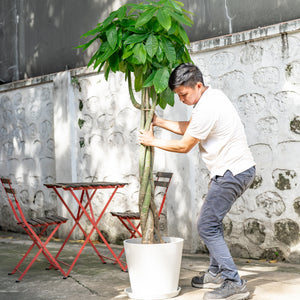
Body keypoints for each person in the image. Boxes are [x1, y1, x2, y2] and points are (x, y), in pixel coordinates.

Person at [138, 63, 256, 300]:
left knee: (206, 225)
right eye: (178, 95)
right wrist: (160, 123)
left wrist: (152, 141)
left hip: (232, 172)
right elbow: (192, 129)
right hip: (233, 171)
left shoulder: (207, 106)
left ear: (198, 85)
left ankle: (234, 282)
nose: (181, 99)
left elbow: (185, 145)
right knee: (213, 222)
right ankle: (215, 273)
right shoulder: (211, 97)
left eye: (184, 94)